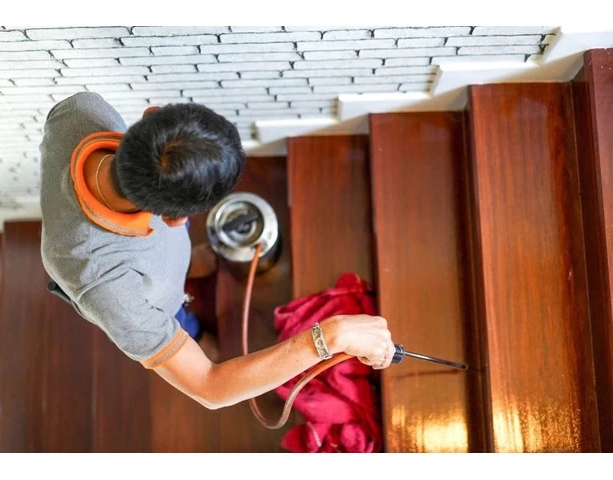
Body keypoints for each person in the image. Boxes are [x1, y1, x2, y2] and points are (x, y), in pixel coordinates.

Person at [39, 92, 396, 410]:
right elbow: (209, 386)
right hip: (161, 302)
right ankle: (193, 328)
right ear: (175, 218)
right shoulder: (105, 285)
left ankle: (190, 267)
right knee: (193, 337)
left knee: (180, 265)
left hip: (150, 264)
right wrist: (331, 336)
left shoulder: (81, 110)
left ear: (152, 115)